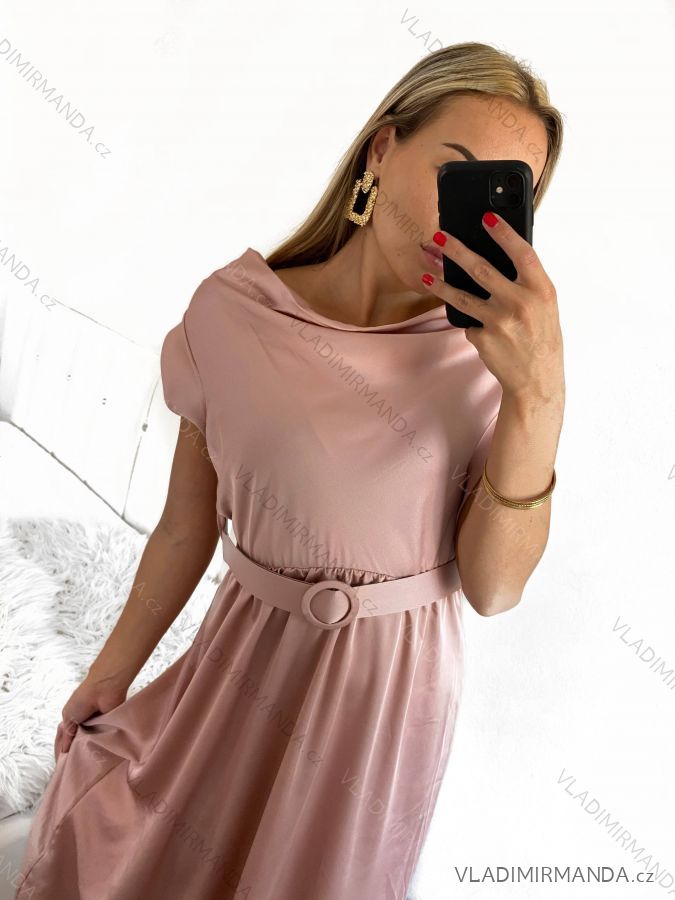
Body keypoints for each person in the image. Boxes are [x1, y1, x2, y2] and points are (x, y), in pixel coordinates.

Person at [14, 41, 565, 900]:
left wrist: (539, 395)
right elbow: (186, 528)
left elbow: (493, 590)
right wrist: (110, 673)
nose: (476, 223)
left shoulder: (497, 361)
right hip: (240, 668)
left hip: (382, 707)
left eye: (506, 197)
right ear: (381, 149)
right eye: (458, 176)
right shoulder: (233, 315)